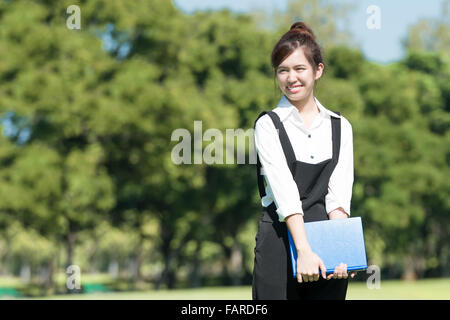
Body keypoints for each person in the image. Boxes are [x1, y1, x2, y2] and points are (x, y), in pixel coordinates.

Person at [252, 21, 356, 300]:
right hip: (279, 241)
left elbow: (338, 197)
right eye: (283, 70)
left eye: (299, 69)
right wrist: (304, 252)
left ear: (317, 70)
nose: (290, 78)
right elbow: (285, 195)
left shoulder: (340, 126)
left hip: (326, 244)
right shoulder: (268, 124)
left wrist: (341, 251)